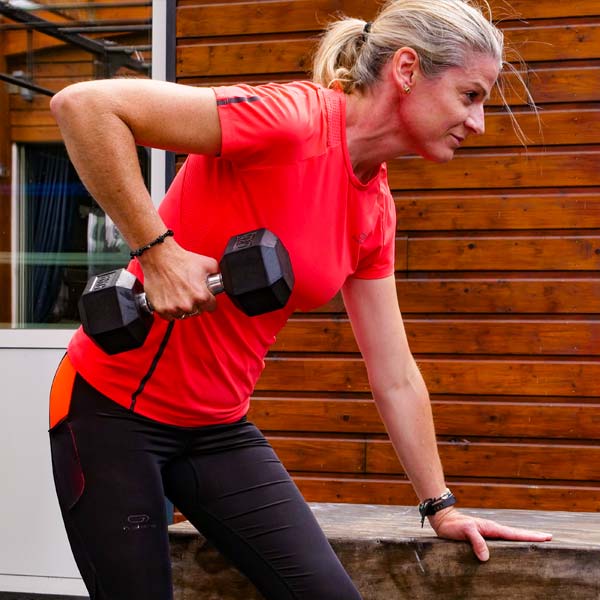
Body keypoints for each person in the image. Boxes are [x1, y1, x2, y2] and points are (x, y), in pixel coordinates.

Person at [47, 0, 552, 598]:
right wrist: (158, 252)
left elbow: (394, 372)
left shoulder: (374, 209)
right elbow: (84, 106)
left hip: (217, 427)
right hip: (110, 412)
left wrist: (440, 505)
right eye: (470, 96)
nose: (479, 122)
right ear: (408, 70)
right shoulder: (292, 120)